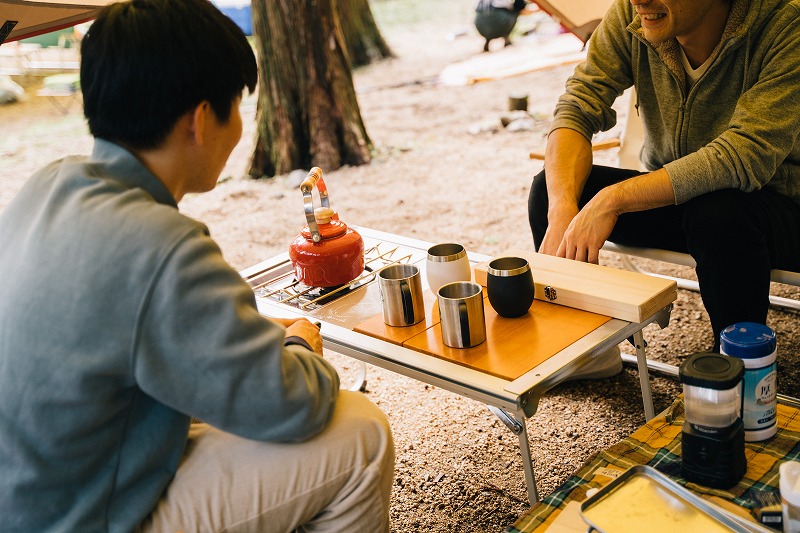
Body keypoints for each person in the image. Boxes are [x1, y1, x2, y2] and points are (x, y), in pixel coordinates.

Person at [0, 1, 394, 531]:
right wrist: (301, 342)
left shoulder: (47, 185)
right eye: (236, 106)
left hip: (27, 493)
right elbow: (292, 404)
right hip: (81, 515)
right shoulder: (159, 244)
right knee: (359, 433)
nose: (238, 128)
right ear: (200, 119)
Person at [528, 0, 800, 353]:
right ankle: (583, 351)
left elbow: (744, 154)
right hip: (686, 203)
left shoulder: (784, 25)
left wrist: (613, 199)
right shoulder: (633, 13)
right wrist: (563, 206)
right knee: (548, 190)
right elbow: (578, 106)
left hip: (781, 210)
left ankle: (742, 374)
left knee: (719, 214)